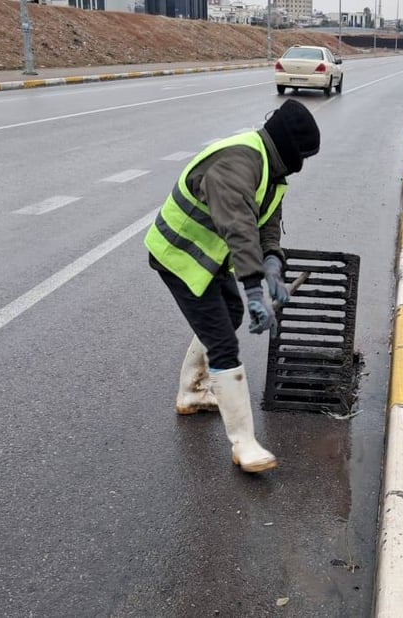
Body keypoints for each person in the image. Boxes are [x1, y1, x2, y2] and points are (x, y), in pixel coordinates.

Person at [145, 99, 321, 474]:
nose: (301, 165)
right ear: (289, 149)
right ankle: (244, 443)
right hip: (179, 254)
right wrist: (256, 291)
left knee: (231, 314)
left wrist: (273, 262)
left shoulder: (270, 171)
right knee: (224, 342)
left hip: (208, 256)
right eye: (301, 155)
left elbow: (267, 220)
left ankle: (191, 392)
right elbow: (240, 231)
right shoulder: (237, 165)